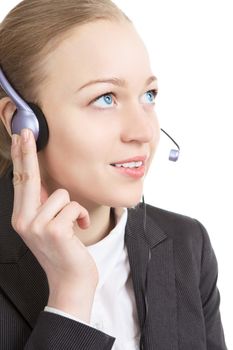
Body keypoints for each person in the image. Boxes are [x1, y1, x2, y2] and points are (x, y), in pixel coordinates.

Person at [0, 0, 227, 349]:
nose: (144, 131)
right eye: (105, 98)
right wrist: (70, 297)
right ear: (21, 120)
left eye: (148, 95)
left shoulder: (187, 245)